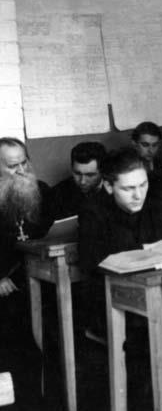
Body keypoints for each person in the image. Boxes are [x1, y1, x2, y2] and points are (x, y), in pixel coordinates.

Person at [78, 147, 162, 333]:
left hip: (159, 293)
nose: (138, 195)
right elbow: (94, 264)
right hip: (112, 300)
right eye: (128, 188)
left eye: (143, 185)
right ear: (109, 187)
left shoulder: (161, 207)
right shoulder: (93, 213)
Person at [0, 137, 53, 410]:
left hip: (42, 279)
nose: (21, 171)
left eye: (24, 163)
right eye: (12, 166)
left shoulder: (41, 190)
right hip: (6, 288)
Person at [49, 141, 107, 219]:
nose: (82, 181)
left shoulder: (116, 189)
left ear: (103, 171)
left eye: (90, 175)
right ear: (71, 168)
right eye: (77, 173)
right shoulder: (58, 193)